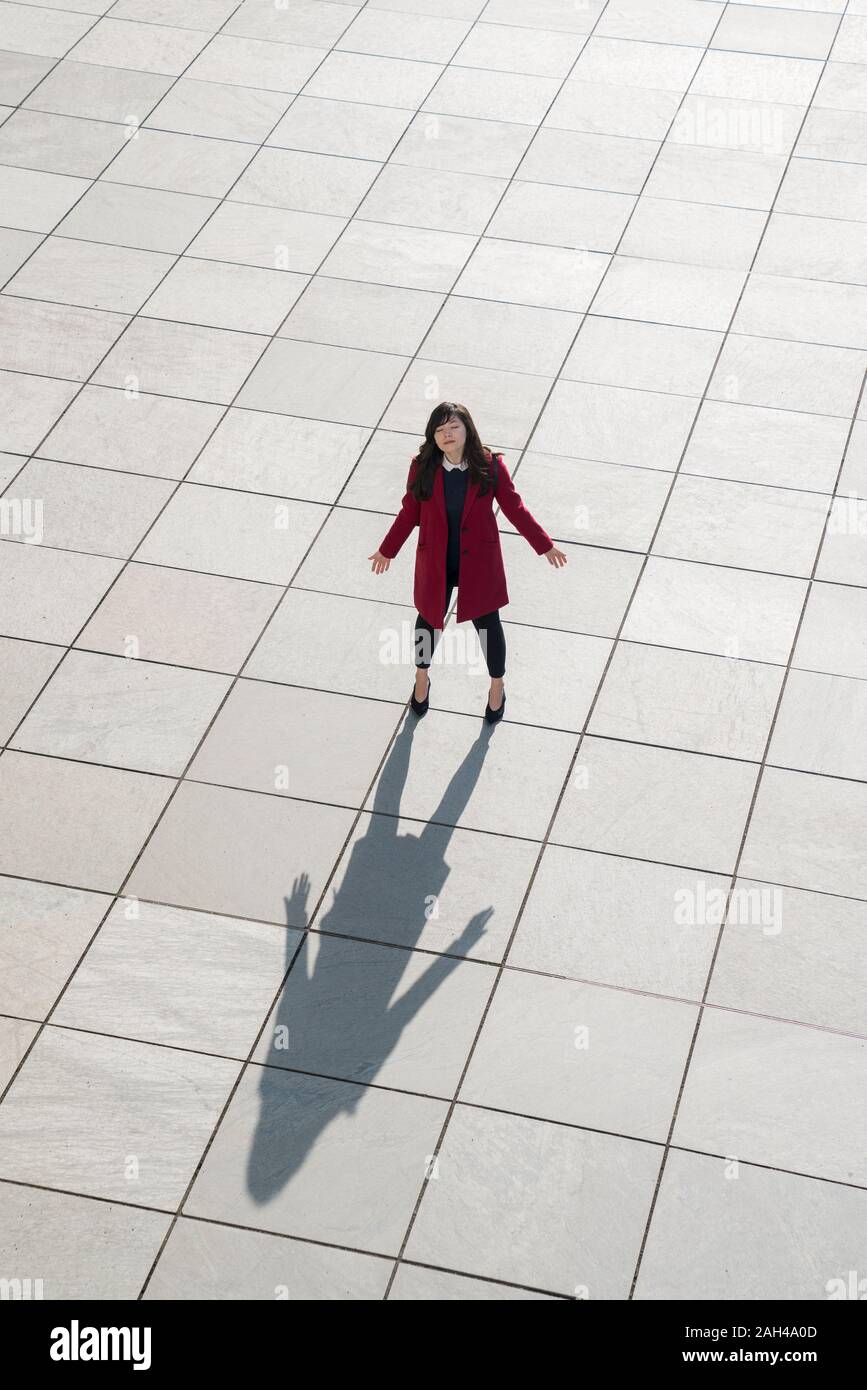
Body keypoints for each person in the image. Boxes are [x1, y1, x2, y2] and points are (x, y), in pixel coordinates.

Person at [368, 401, 567, 723]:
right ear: (433, 436)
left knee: (489, 625)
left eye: (453, 427)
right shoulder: (423, 467)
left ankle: (497, 686)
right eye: (440, 430)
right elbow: (410, 512)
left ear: (467, 430)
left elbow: (515, 508)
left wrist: (544, 546)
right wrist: (387, 550)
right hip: (436, 559)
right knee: (427, 622)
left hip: (480, 562)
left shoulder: (490, 465)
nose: (447, 434)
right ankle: (421, 677)